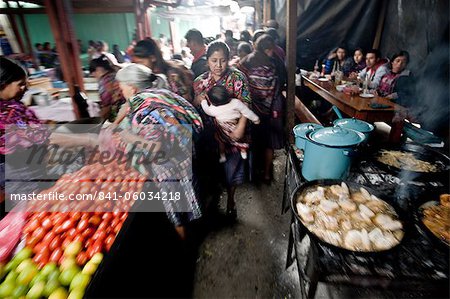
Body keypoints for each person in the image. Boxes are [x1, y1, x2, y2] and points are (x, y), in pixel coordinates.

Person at [112, 63, 203, 239]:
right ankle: (195, 231)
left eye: (121, 86)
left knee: (175, 211)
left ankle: (186, 250)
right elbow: (127, 107)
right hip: (185, 151)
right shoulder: (157, 93)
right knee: (188, 196)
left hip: (168, 164)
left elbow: (155, 147)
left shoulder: (145, 111)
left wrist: (129, 138)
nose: (120, 90)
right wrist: (115, 124)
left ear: (131, 87)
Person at [193, 41, 252, 219]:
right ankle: (214, 198)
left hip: (232, 132)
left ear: (228, 60)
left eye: (223, 60)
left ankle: (231, 199)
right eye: (214, 60)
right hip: (209, 133)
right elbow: (194, 104)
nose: (218, 65)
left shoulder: (238, 78)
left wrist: (241, 127)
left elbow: (246, 103)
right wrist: (198, 99)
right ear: (207, 61)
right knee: (213, 167)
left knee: (231, 168)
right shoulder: (199, 81)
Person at [238, 34, 285, 183]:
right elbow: (277, 84)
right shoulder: (272, 64)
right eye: (271, 50)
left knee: (252, 143)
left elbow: (240, 81)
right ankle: (266, 174)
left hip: (250, 110)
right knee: (268, 144)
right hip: (270, 112)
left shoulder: (245, 62)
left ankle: (251, 174)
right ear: (268, 49)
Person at [201, 85, 259, 163]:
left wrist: (203, 101)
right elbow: (247, 112)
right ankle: (243, 152)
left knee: (220, 141)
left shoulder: (212, 109)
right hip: (235, 126)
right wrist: (256, 119)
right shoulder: (236, 103)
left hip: (224, 130)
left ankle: (222, 155)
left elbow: (206, 109)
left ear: (212, 101)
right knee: (242, 140)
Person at [89, 55, 126, 122]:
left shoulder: (104, 81)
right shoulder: (116, 75)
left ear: (98, 69)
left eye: (93, 72)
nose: (93, 75)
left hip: (120, 116)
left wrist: (96, 123)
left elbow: (107, 106)